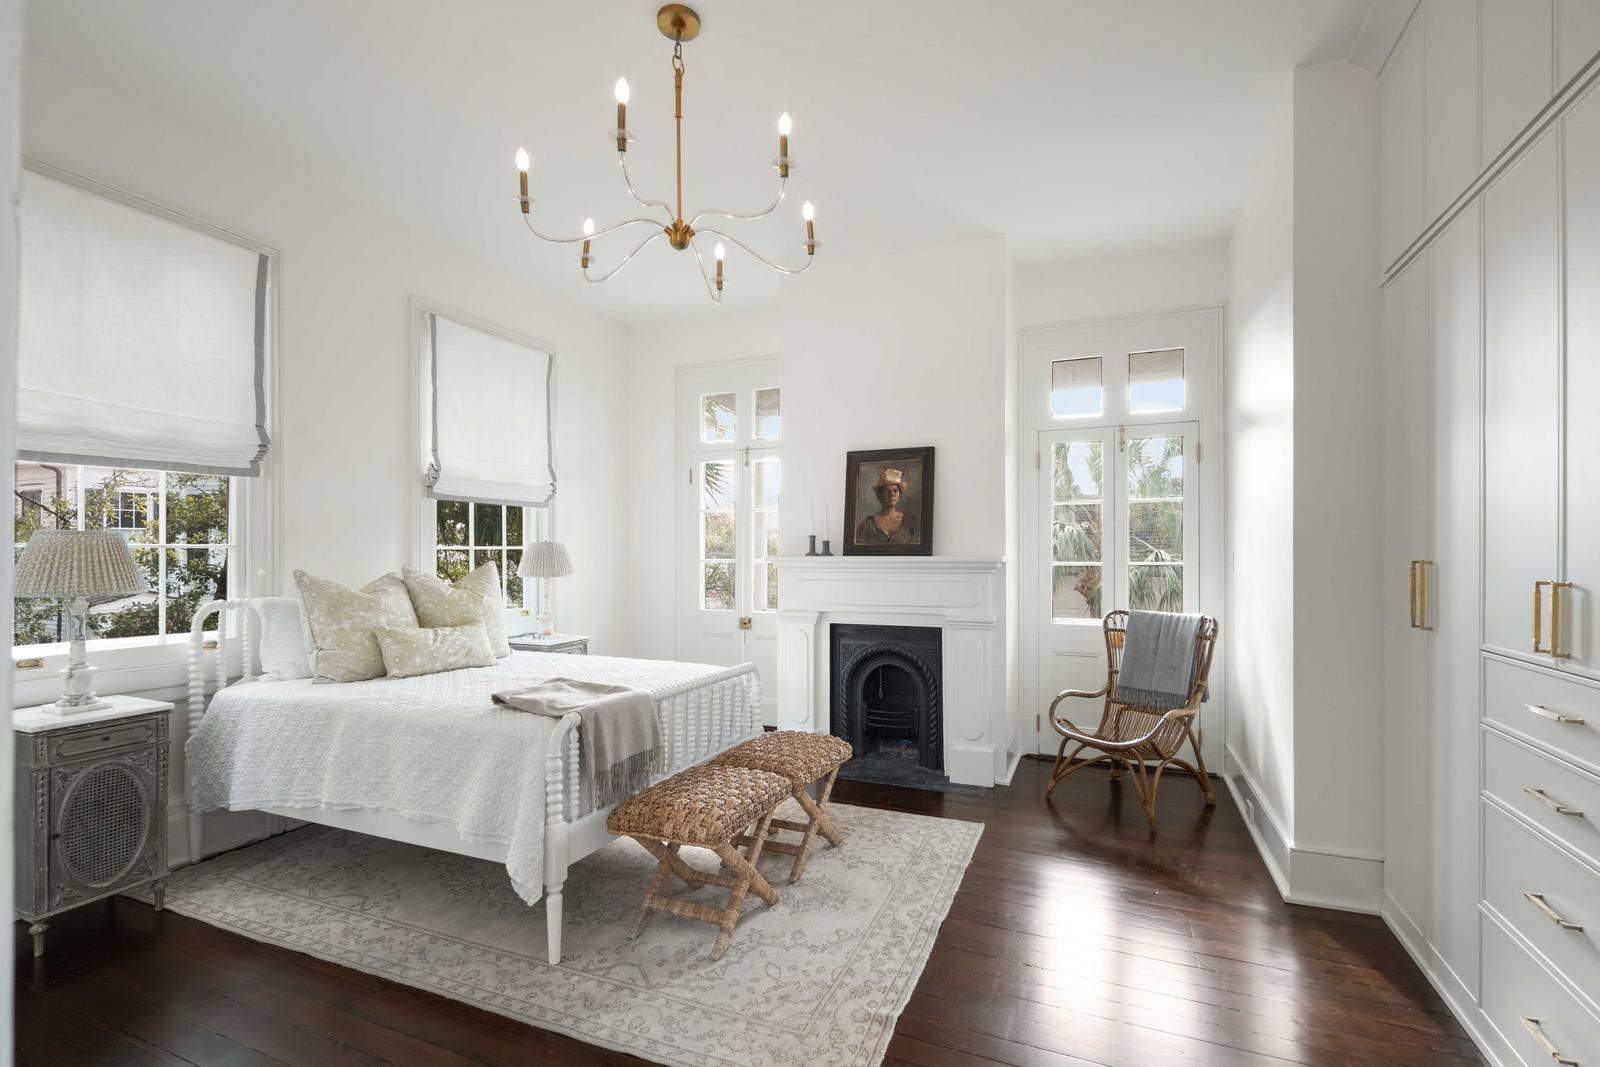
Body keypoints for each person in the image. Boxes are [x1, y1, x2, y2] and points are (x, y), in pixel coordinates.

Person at [855, 467, 920, 545]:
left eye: (895, 490)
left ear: (899, 494)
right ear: (880, 495)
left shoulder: (910, 522)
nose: (891, 494)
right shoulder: (867, 524)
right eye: (887, 490)